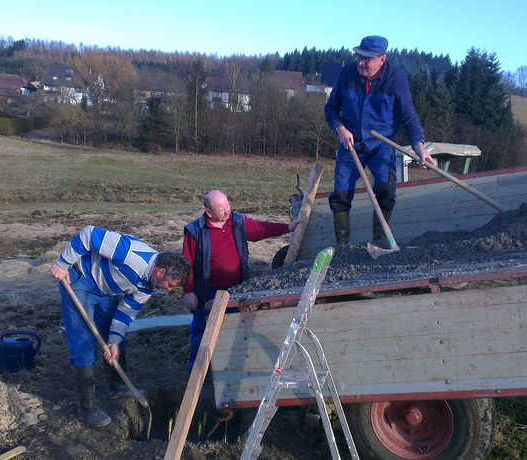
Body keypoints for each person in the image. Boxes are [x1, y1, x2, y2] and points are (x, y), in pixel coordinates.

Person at [50, 225, 191, 427]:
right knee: (84, 346)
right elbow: (90, 234)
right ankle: (86, 409)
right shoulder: (130, 254)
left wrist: (114, 340)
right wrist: (63, 263)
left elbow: (127, 311)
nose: (168, 290)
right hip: (80, 281)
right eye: (170, 285)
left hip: (106, 291)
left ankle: (117, 387)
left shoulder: (149, 284)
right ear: (161, 272)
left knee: (116, 340)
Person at [324, 35, 435, 245]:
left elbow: (408, 116)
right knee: (341, 193)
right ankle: (343, 247)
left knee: (386, 190)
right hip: (351, 142)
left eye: (367, 58)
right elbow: (330, 108)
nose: (361, 62)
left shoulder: (396, 78)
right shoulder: (347, 73)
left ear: (382, 59)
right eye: (359, 56)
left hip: (381, 144)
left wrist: (419, 147)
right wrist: (339, 128)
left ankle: (379, 243)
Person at [182, 190, 299, 372]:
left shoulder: (237, 222)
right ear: (209, 212)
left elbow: (261, 229)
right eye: (221, 209)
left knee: (237, 329)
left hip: (236, 290)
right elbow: (186, 263)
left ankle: (232, 370)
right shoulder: (195, 232)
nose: (227, 211)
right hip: (207, 292)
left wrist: (288, 227)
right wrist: (189, 291)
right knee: (202, 332)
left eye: (228, 205)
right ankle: (197, 373)